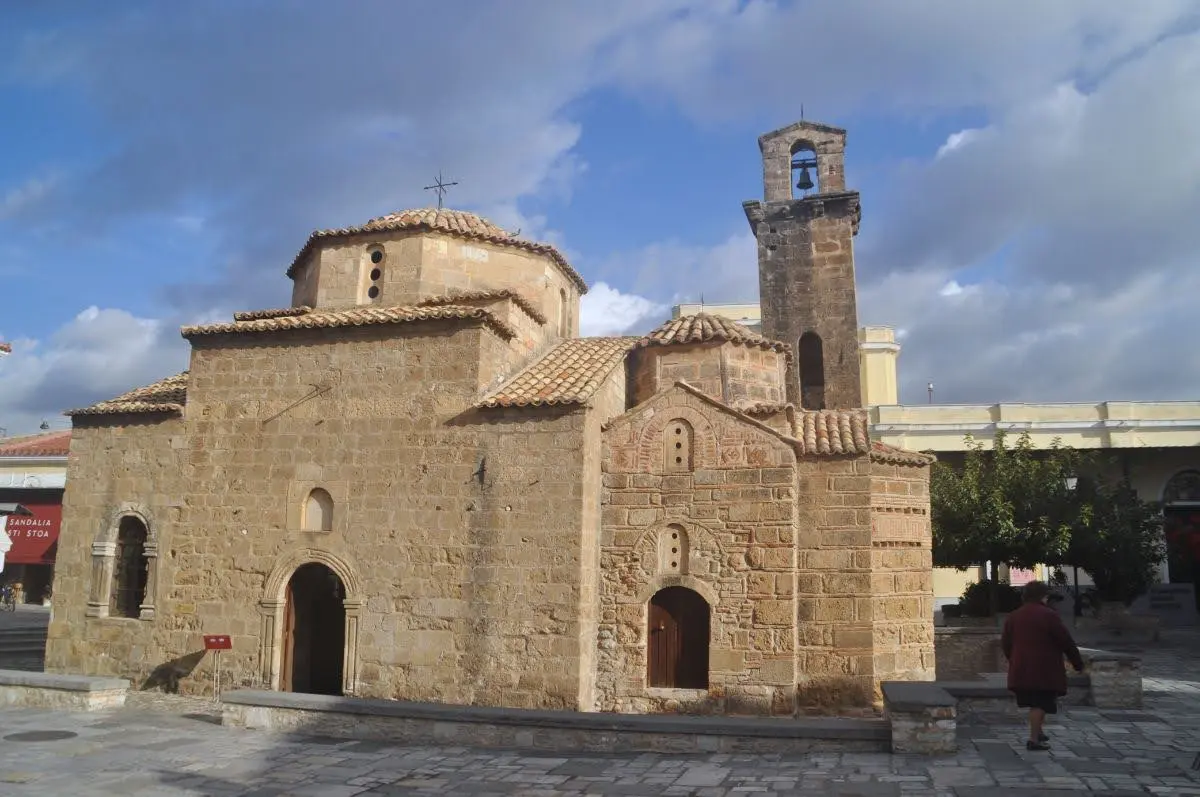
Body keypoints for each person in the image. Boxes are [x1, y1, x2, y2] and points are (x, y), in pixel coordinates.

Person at [1001, 580, 1085, 751]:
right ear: (1043, 596)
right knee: (1040, 702)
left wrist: (1014, 660)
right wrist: (1077, 663)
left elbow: (1006, 643)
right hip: (1044, 669)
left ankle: (1038, 731)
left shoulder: (1014, 616)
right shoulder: (1048, 615)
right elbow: (1065, 640)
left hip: (1021, 668)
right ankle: (1033, 739)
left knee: (1036, 702)